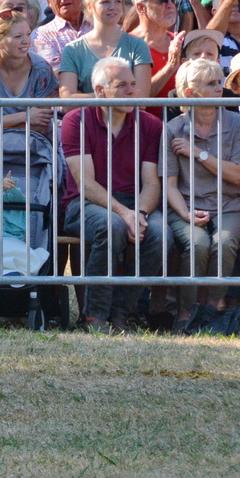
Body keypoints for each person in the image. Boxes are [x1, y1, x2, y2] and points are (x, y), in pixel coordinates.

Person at [60, 55, 167, 332]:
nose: (132, 91)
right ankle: (93, 317)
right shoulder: (76, 120)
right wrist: (125, 213)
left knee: (161, 236)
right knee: (113, 226)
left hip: (135, 203)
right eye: (122, 85)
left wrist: (140, 214)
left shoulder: (150, 125)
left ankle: (121, 313)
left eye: (133, 84)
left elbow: (152, 183)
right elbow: (85, 183)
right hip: (84, 203)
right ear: (99, 90)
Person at [160, 58, 240, 332]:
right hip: (185, 205)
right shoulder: (173, 128)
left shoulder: (237, 123)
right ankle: (186, 312)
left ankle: (211, 310)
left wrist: (198, 153)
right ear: (190, 93)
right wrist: (185, 213)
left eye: (219, 81)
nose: (219, 87)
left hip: (230, 206)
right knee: (197, 243)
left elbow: (238, 175)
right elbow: (169, 185)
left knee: (224, 241)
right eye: (211, 84)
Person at [0, 8, 57, 139]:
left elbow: (40, 125)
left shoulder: (42, 70)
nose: (26, 41)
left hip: (33, 145)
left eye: (28, 34)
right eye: (18, 36)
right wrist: (24, 117)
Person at [58, 0, 151, 97]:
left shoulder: (137, 46)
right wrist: (111, 95)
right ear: (90, 6)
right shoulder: (72, 50)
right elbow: (67, 99)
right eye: (105, 1)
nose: (113, 7)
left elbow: (141, 98)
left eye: (118, 1)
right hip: (87, 116)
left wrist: (92, 96)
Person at [129, 0, 183, 97]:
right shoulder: (127, 45)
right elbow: (136, 98)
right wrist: (170, 67)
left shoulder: (180, 41)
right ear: (142, 7)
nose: (170, 5)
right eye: (162, 0)